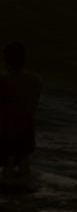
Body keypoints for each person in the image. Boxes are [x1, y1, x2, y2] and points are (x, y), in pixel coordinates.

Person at [0, 42, 42, 183]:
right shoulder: (35, 80)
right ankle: (24, 187)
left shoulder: (3, 80)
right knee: (24, 158)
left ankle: (8, 187)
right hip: (27, 125)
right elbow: (32, 104)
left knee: (9, 159)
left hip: (9, 126)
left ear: (6, 61)